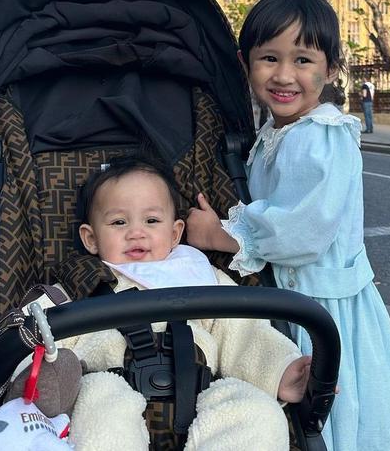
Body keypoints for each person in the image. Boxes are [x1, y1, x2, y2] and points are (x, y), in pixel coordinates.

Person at [187, 0, 390, 451]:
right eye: (269, 58)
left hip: (324, 304)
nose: (284, 75)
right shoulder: (275, 133)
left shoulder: (323, 136)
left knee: (336, 408)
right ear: (245, 62)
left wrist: (220, 234)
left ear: (331, 68)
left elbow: (302, 231)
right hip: (291, 294)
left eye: (303, 61)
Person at [64, 158, 312, 451]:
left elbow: (243, 332)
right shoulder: (81, 283)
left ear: (174, 233)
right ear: (91, 238)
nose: (136, 232)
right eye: (119, 222)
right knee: (97, 400)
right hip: (112, 383)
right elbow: (38, 335)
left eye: (152, 221)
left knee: (256, 410)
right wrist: (36, 374)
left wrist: (280, 369)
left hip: (200, 391)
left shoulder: (201, 277)